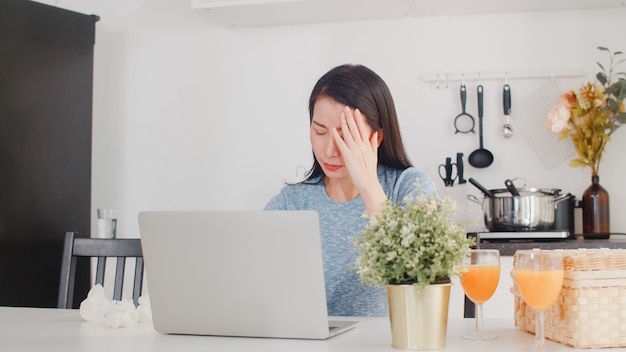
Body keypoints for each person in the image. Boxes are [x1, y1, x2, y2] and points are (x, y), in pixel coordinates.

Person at [264, 64, 437, 317]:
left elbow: (416, 275)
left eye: (346, 135)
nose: (330, 150)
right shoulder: (292, 202)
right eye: (320, 132)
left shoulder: (410, 188)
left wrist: (367, 182)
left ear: (376, 138)